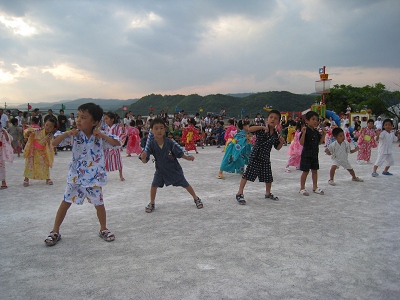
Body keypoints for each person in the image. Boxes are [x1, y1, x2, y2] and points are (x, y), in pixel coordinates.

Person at [44, 103, 121, 246]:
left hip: (94, 178)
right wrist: (67, 133)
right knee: (65, 202)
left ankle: (103, 228)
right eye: (78, 116)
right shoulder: (74, 135)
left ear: (95, 122)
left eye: (83, 117)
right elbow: (54, 143)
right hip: (76, 177)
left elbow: (117, 143)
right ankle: (55, 230)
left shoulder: (99, 137)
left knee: (99, 204)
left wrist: (102, 134)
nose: (78, 120)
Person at [140, 118, 203, 213]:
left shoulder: (169, 142)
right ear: (152, 130)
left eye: (161, 128)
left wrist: (187, 157)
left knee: (185, 184)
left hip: (174, 169)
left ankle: (196, 198)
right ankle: (152, 202)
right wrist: (143, 157)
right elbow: (145, 161)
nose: (159, 130)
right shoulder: (151, 144)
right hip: (160, 170)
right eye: (156, 128)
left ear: (165, 129)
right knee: (154, 185)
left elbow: (179, 153)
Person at [235, 110, 285, 204]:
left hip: (265, 157)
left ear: (278, 121)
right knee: (248, 174)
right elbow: (249, 129)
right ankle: (239, 193)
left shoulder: (276, 134)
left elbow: (277, 147)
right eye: (271, 117)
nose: (273, 119)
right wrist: (261, 126)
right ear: (267, 119)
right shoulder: (262, 128)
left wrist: (281, 142)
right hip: (256, 155)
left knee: (268, 177)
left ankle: (268, 193)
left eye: (275, 118)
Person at [299, 111, 326, 196]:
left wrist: (324, 135)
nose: (315, 121)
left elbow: (319, 143)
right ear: (307, 121)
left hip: (314, 154)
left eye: (317, 120)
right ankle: (302, 188)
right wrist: (303, 133)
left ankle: (315, 187)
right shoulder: (305, 130)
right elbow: (301, 143)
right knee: (305, 172)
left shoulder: (316, 131)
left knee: (315, 171)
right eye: (313, 119)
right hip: (306, 154)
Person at [23, 118, 56, 187]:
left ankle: (47, 178)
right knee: (29, 164)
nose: (48, 127)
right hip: (33, 150)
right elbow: (28, 131)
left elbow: (51, 146)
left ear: (53, 128)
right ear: (44, 124)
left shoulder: (50, 136)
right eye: (47, 125)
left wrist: (49, 142)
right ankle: (26, 179)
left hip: (43, 152)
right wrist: (28, 133)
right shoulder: (38, 130)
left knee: (45, 164)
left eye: (50, 127)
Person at [103, 112, 126, 181]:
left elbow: (120, 136)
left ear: (112, 119)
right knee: (104, 161)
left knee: (118, 161)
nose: (105, 120)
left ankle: (121, 175)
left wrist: (114, 139)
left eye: (107, 119)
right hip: (106, 147)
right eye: (105, 119)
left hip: (115, 146)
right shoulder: (105, 128)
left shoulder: (117, 127)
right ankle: (103, 175)